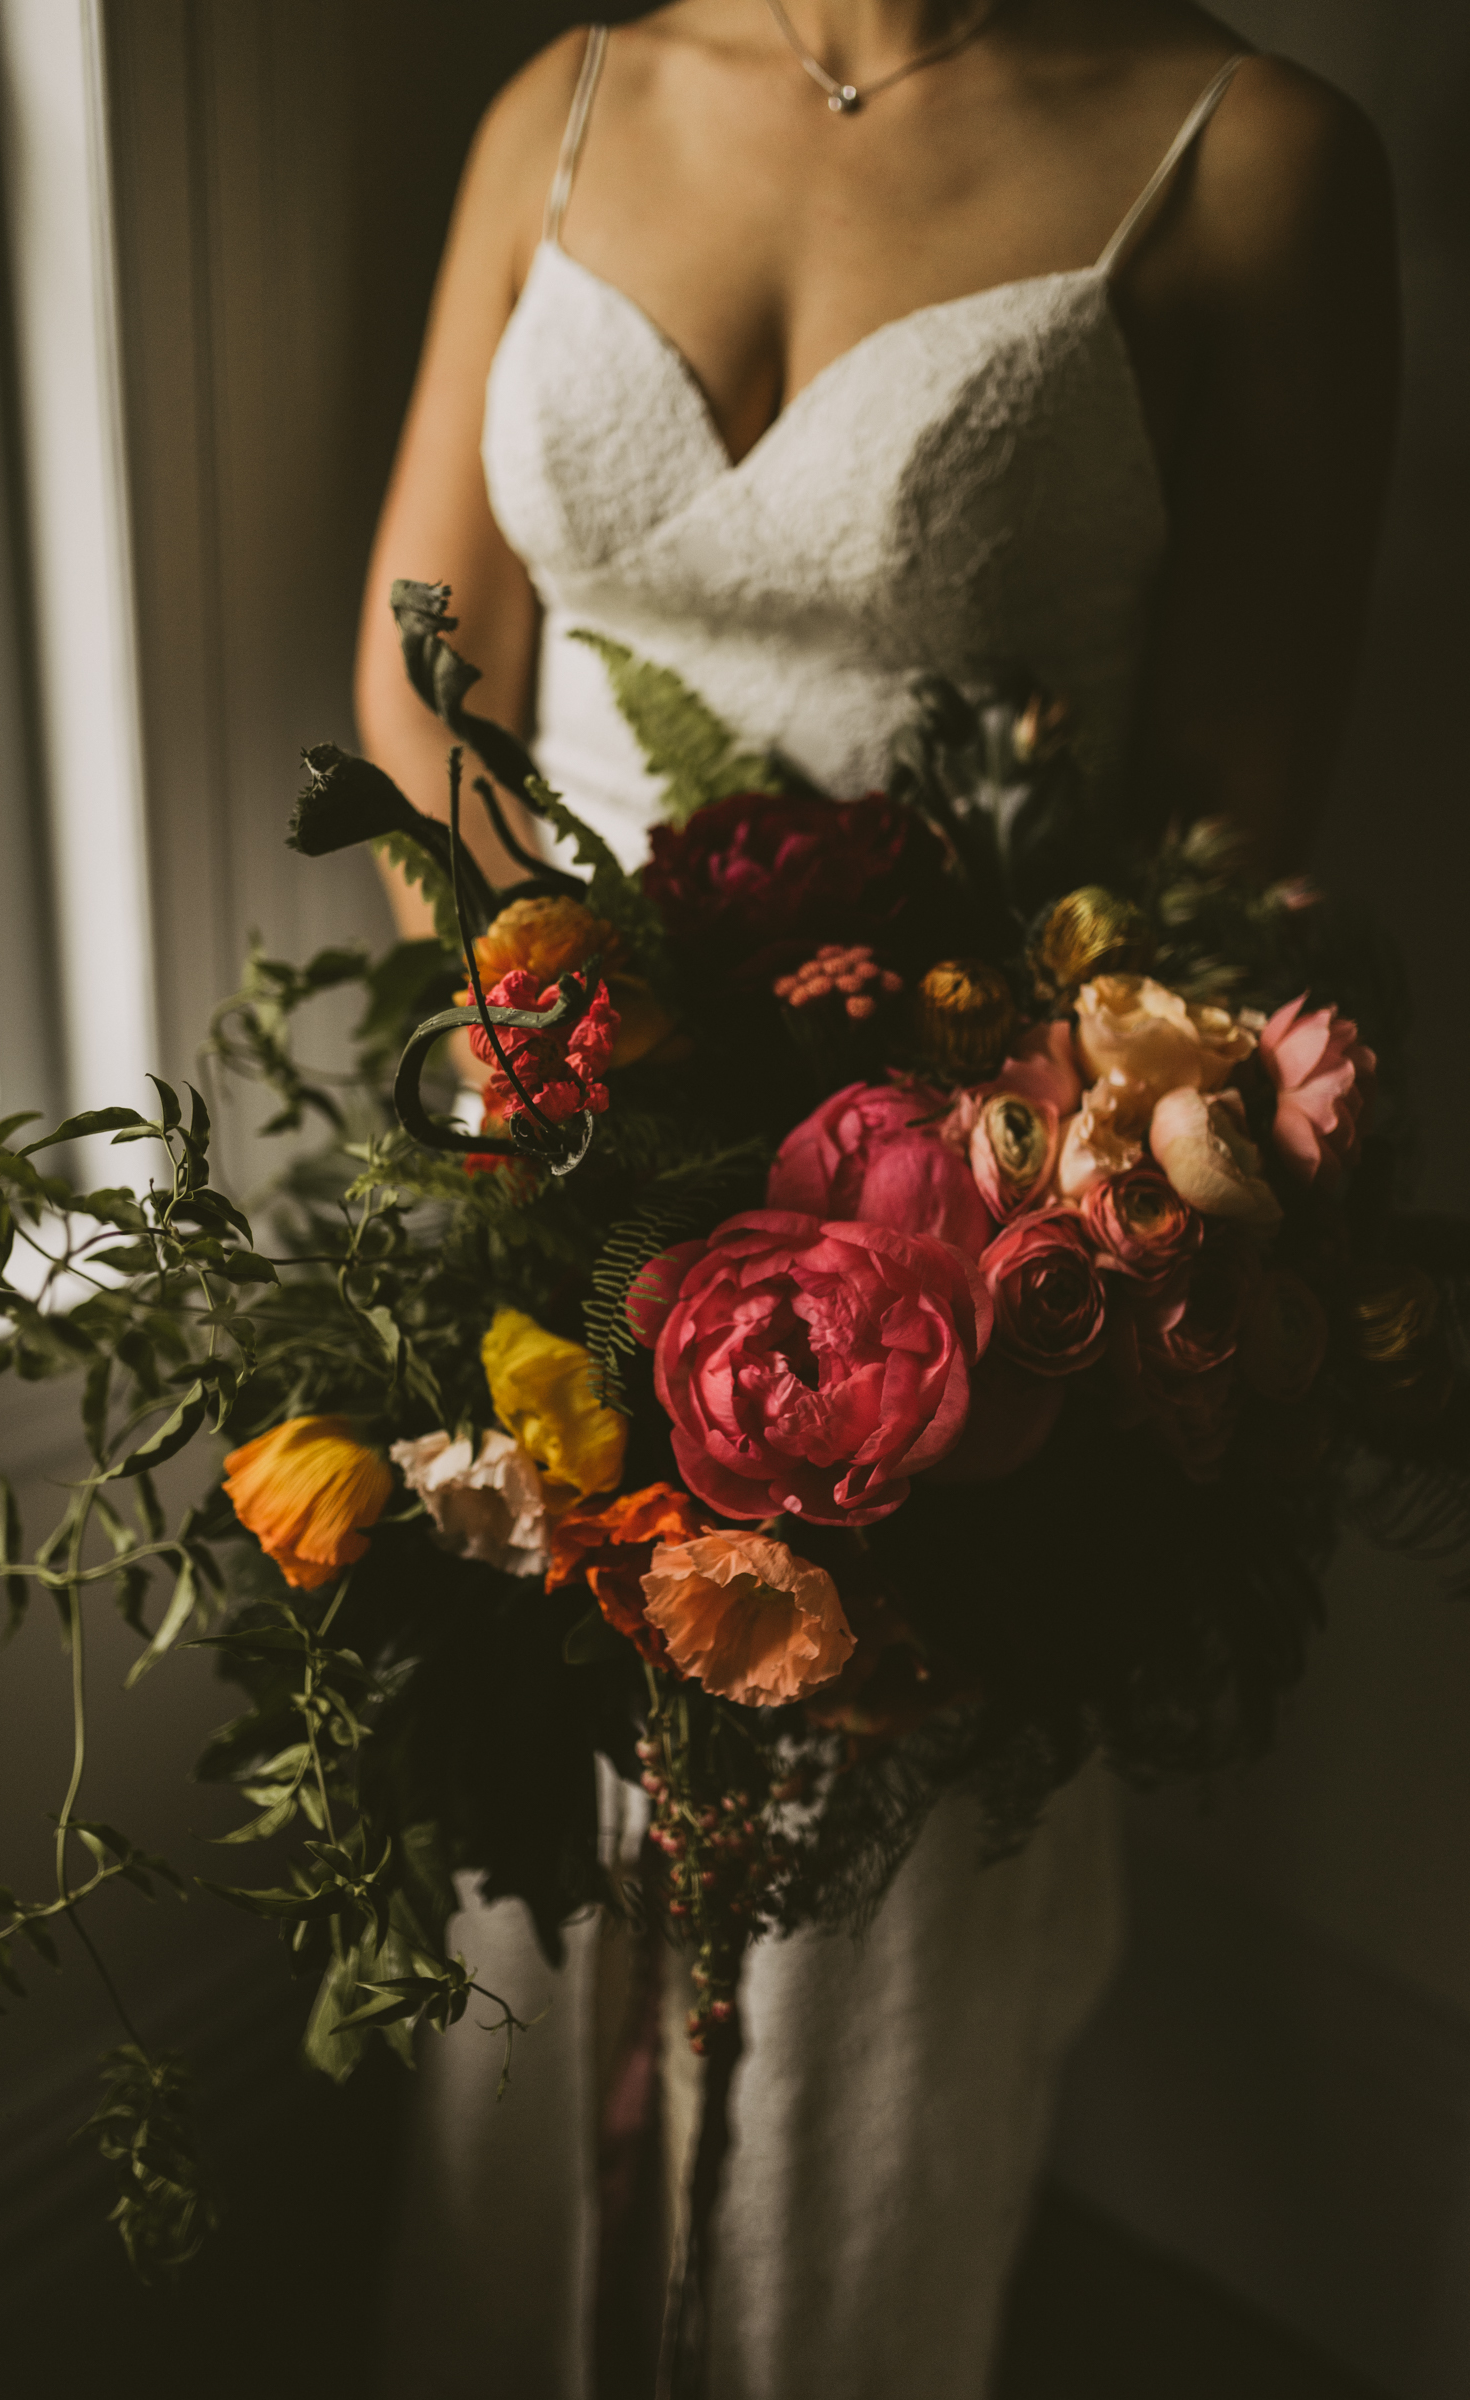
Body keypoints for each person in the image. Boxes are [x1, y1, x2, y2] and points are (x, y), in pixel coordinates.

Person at [354, 7, 1399, 2394]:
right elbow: (431, 689)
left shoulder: (1254, 161)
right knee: (546, 1893)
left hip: (959, 1248)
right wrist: (557, 1069)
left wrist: (972, 1195)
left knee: (870, 1985)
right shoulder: (568, 101)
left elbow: (1235, 838)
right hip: (562, 1163)